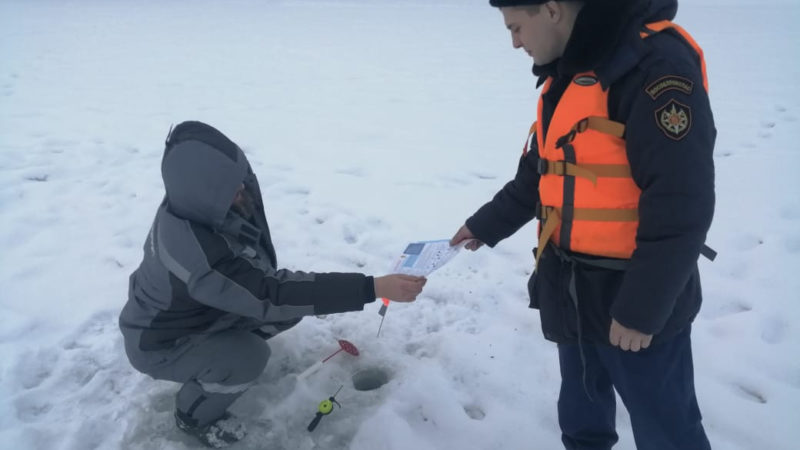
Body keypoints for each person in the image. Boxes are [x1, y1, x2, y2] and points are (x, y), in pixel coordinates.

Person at [450, 1, 715, 449]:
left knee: (668, 431)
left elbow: (682, 203)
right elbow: (540, 173)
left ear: (551, 10)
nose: (514, 41)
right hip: (572, 290)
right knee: (580, 419)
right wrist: (482, 226)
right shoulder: (567, 72)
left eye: (516, 27)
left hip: (636, 300)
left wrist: (641, 310)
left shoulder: (655, 68)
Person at [119, 120, 426, 448]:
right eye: (231, 189)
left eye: (238, 182)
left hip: (193, 313)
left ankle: (222, 352)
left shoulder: (190, 204)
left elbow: (269, 291)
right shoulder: (199, 255)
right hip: (162, 344)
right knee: (250, 355)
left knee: (286, 310)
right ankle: (193, 414)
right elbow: (271, 292)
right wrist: (373, 287)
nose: (242, 191)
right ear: (205, 192)